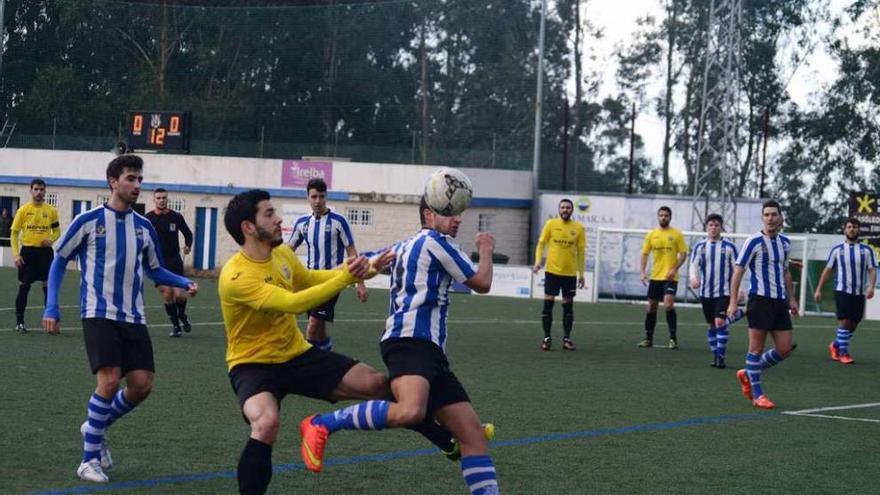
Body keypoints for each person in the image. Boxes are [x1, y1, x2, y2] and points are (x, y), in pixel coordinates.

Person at [219, 189, 459, 495]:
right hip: (252, 366)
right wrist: (347, 279)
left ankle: (446, 440)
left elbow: (311, 279)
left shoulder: (281, 254)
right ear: (248, 228)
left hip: (297, 355)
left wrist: (364, 268)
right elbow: (294, 302)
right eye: (269, 213)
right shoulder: (236, 277)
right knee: (265, 424)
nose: (279, 219)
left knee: (379, 385)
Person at [300, 196, 500, 495]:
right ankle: (322, 423)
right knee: (410, 411)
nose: (457, 219)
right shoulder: (438, 242)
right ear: (429, 215)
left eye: (459, 213)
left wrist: (359, 269)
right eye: (450, 213)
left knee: (472, 436)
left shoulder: (403, 245)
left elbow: (365, 263)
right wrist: (485, 249)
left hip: (427, 350)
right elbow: (482, 282)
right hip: (411, 342)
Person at [42, 155, 198, 482]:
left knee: (142, 385)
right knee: (110, 381)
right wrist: (51, 306)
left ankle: (95, 427)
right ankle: (88, 460)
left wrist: (183, 282)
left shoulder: (144, 228)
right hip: (98, 312)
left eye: (140, 179)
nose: (137, 185)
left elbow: (154, 268)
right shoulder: (88, 220)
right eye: (131, 178)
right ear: (113, 181)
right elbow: (59, 261)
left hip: (133, 316)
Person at [727, 200, 798, 410]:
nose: (770, 218)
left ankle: (749, 373)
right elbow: (738, 271)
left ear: (780, 217)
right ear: (762, 218)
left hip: (779, 302)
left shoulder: (785, 243)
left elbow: (785, 272)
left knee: (784, 349)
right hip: (759, 300)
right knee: (756, 349)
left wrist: (792, 298)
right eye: (766, 214)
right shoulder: (753, 242)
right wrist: (732, 302)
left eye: (774, 214)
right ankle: (758, 395)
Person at [288, 178, 367, 351]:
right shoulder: (302, 223)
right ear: (308, 197)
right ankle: (326, 352)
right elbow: (287, 251)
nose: (317, 201)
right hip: (310, 281)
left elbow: (352, 252)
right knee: (318, 328)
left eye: (321, 197)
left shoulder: (338, 221)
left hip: (332, 281)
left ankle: (309, 365)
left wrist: (360, 282)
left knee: (312, 326)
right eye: (314, 197)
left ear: (326, 197)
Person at [813, 217, 876, 365]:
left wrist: (871, 287)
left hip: (859, 292)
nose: (852, 229)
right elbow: (827, 271)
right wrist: (818, 290)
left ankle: (835, 345)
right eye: (849, 227)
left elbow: (872, 270)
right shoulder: (837, 250)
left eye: (854, 227)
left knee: (853, 324)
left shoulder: (867, 251)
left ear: (859, 230)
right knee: (845, 321)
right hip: (842, 289)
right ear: (845, 229)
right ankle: (843, 353)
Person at [688, 214, 744, 369]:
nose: (713, 228)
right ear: (706, 227)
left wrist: (739, 289)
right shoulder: (700, 247)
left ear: (721, 228)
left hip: (724, 292)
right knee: (712, 326)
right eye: (711, 225)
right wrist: (693, 278)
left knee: (719, 322)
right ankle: (716, 353)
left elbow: (737, 269)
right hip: (705, 293)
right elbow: (693, 266)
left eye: (716, 225)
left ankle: (720, 357)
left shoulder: (730, 247)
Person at [532, 198, 586, 351]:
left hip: (569, 274)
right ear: (559, 209)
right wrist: (538, 262)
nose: (565, 210)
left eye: (568, 207)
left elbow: (581, 252)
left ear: (572, 210)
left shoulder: (579, 228)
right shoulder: (551, 224)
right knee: (548, 305)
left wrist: (581, 274)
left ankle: (566, 339)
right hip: (552, 272)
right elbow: (541, 244)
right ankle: (547, 338)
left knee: (568, 307)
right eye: (562, 207)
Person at [11, 178, 60, 333]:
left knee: (48, 288)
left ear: (45, 191)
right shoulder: (23, 210)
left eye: (41, 189)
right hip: (28, 253)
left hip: (45, 254)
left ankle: (50, 323)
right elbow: (14, 233)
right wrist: (16, 255)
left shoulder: (51, 211)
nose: (39, 192)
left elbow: (57, 231)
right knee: (24, 288)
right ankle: (20, 322)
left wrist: (51, 239)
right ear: (31, 190)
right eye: (36, 189)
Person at [146, 188, 195, 337]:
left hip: (174, 261)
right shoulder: (148, 219)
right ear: (154, 200)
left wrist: (188, 246)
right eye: (159, 198)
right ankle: (176, 326)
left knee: (179, 295)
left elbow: (188, 234)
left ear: (167, 199)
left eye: (164, 198)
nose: (161, 200)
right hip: (157, 263)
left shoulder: (176, 217)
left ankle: (182, 315)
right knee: (167, 294)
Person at [638, 206, 688, 349]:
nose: (663, 217)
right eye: (661, 215)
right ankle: (648, 338)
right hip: (655, 277)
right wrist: (642, 272)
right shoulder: (651, 235)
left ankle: (673, 338)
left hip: (670, 277)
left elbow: (683, 255)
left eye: (666, 215)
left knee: (668, 304)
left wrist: (674, 269)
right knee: (651, 307)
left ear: (670, 217)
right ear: (658, 217)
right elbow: (645, 254)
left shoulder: (677, 234)